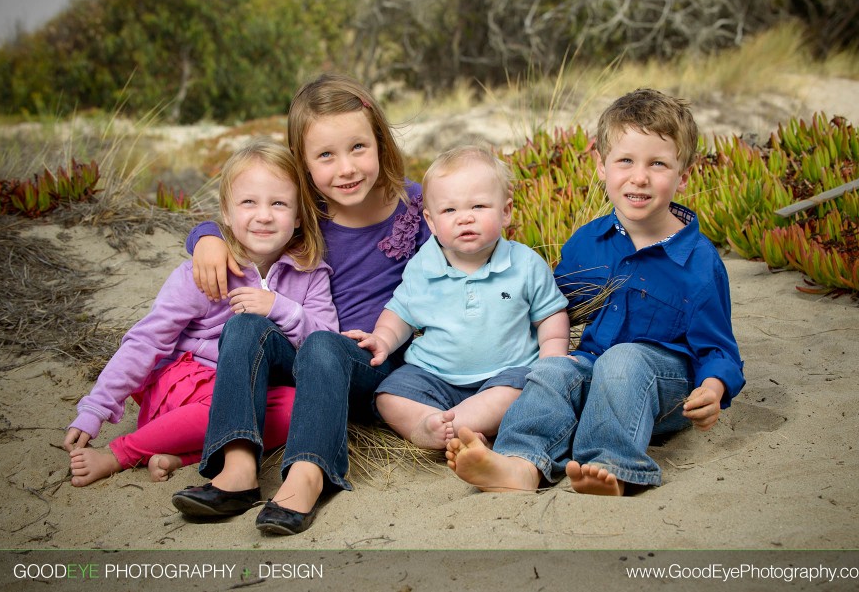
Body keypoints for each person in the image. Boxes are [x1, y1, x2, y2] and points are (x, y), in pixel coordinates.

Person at [446, 88, 745, 496]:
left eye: (658, 164)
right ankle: (519, 463)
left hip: (665, 389)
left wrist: (713, 389)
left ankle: (612, 465)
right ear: (601, 166)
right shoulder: (589, 243)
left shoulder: (697, 262)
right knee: (553, 370)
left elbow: (719, 349)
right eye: (625, 161)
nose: (639, 177)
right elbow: (551, 305)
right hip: (595, 369)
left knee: (624, 359)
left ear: (684, 174)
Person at [171, 74, 431, 535]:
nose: (346, 169)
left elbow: (463, 250)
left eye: (358, 148)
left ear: (380, 143)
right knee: (247, 324)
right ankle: (237, 467)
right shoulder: (307, 210)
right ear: (303, 163)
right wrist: (206, 237)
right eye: (325, 155)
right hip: (300, 354)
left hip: (371, 363)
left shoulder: (413, 206)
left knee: (325, 346)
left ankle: (308, 473)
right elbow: (245, 219)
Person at [62, 138, 337, 487]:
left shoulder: (310, 273)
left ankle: (185, 455)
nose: (264, 215)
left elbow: (326, 341)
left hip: (254, 389)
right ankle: (121, 453)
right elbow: (147, 341)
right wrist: (95, 409)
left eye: (279, 203)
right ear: (226, 211)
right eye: (249, 202)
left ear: (298, 216)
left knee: (300, 407)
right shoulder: (202, 272)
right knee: (228, 404)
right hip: (189, 384)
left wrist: (282, 309)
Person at [344, 146, 569, 449]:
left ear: (506, 211)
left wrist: (551, 357)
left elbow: (550, 316)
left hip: (505, 374)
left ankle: (454, 426)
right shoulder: (423, 266)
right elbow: (400, 313)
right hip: (435, 375)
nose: (464, 219)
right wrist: (383, 340)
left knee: (522, 390)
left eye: (478, 206)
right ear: (432, 222)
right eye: (450, 210)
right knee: (389, 396)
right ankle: (431, 426)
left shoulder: (525, 265)